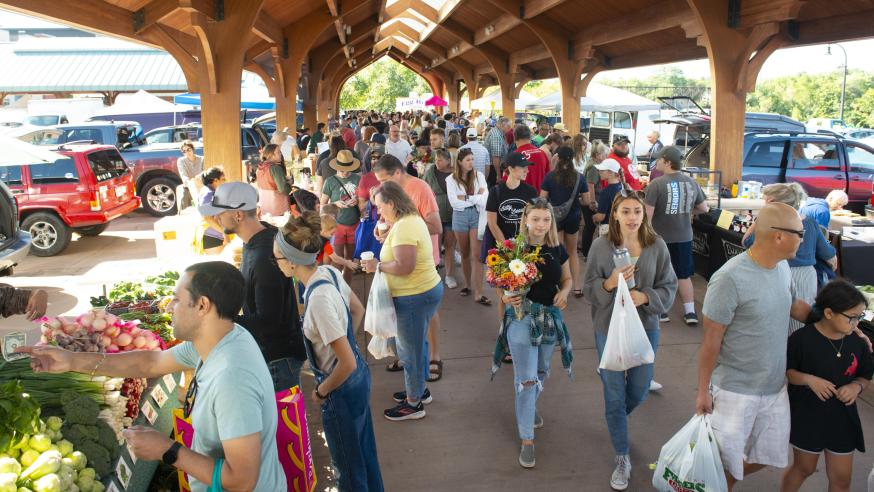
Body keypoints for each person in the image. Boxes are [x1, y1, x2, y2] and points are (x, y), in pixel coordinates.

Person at [19, 261, 287, 491]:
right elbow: (150, 362)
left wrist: (168, 451)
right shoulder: (225, 336)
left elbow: (242, 481)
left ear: (202, 305)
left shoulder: (232, 379)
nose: (169, 306)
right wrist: (72, 360)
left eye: (178, 299)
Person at [696, 203, 817, 490]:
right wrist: (702, 391)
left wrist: (840, 324)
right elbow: (710, 342)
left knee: (769, 457)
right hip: (735, 391)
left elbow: (794, 306)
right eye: (800, 233)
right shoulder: (729, 278)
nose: (804, 237)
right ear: (778, 236)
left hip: (775, 387)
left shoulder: (782, 267)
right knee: (724, 463)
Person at [273, 213, 383, 491]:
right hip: (359, 381)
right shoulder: (329, 273)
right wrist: (343, 341)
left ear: (292, 261)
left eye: (277, 258)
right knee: (365, 453)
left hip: (340, 389)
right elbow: (357, 309)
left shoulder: (318, 300)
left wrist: (321, 392)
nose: (275, 263)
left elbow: (345, 364)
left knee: (347, 469)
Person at [583, 192, 678, 491]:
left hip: (645, 326)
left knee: (638, 389)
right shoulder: (600, 247)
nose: (633, 217)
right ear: (615, 215)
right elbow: (588, 289)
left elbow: (670, 285)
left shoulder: (657, 245)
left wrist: (647, 296)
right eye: (626, 211)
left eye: (637, 211)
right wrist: (609, 283)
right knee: (613, 394)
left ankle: (615, 419)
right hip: (608, 328)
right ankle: (622, 456)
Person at [198, 182, 306, 391]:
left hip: (277, 360)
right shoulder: (260, 236)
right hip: (275, 355)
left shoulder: (264, 257)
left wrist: (217, 320)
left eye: (220, 213)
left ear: (238, 215)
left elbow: (267, 321)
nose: (216, 218)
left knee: (280, 423)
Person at [491, 199, 574, 469]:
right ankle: (527, 439)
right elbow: (498, 282)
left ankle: (528, 405)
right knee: (526, 379)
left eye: (546, 220)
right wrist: (505, 295)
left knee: (542, 372)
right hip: (520, 319)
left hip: (549, 317)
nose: (541, 225)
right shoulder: (513, 248)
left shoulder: (557, 249)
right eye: (536, 219)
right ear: (525, 219)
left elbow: (567, 279)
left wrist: (564, 292)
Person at [361, 182, 444, 421]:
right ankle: (419, 390)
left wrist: (376, 265)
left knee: (409, 351)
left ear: (392, 203)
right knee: (413, 346)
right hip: (420, 292)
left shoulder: (406, 226)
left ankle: (414, 403)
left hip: (413, 296)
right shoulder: (408, 221)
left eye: (380, 206)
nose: (378, 212)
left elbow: (404, 266)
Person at [780, 279, 872, 492]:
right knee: (804, 468)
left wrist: (856, 387)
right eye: (852, 317)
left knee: (841, 479)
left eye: (860, 317)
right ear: (829, 313)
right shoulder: (801, 339)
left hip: (843, 419)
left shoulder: (858, 343)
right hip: (808, 416)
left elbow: (865, 375)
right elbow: (789, 372)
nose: (856, 323)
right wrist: (810, 380)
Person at [373, 155, 445, 381]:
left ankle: (435, 356)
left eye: (384, 179)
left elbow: (436, 226)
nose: (382, 185)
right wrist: (384, 229)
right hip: (399, 255)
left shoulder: (420, 188)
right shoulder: (389, 193)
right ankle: (407, 355)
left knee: (428, 311)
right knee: (404, 313)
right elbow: (389, 218)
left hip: (424, 258)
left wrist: (403, 225)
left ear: (397, 172)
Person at [743, 183, 837, 333]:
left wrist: (759, 220)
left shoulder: (771, 224)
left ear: (773, 203)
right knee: (797, 324)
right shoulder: (810, 222)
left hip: (780, 272)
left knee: (780, 322)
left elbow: (746, 241)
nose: (763, 205)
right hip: (805, 275)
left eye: (766, 201)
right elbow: (829, 254)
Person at [644, 146, 710, 325]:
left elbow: (647, 216)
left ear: (666, 162)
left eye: (658, 159)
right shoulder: (691, 182)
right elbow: (704, 208)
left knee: (659, 274)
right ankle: (690, 312)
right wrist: (688, 212)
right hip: (684, 236)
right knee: (683, 274)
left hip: (659, 238)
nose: (656, 162)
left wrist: (645, 237)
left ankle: (662, 311)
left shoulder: (656, 184)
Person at [540, 146, 589, 297]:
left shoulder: (550, 176)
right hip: (573, 218)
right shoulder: (580, 177)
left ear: (558, 158)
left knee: (558, 253)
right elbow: (587, 201)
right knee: (572, 252)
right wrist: (575, 200)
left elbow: (542, 199)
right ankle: (577, 287)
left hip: (556, 219)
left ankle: (560, 286)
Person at [447, 148, 489, 305]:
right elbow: (454, 202)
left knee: (477, 255)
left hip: (477, 215)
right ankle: (467, 285)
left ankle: (479, 292)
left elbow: (484, 199)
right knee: (464, 252)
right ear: (460, 162)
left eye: (472, 159)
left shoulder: (479, 176)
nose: (471, 162)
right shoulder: (451, 179)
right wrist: (475, 197)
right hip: (459, 216)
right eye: (467, 160)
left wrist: (467, 197)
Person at [320, 150, 362, 284]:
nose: (345, 172)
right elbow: (322, 205)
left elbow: (363, 199)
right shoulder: (330, 181)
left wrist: (358, 201)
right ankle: (335, 286)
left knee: (349, 260)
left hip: (354, 224)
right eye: (342, 169)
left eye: (347, 169)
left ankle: (346, 287)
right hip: (336, 226)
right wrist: (335, 204)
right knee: (337, 260)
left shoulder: (357, 178)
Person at [422, 148, 458, 289]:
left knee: (450, 246)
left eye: (440, 160)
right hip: (434, 215)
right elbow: (424, 188)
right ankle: (434, 273)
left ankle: (449, 275)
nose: (437, 162)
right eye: (436, 159)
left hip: (452, 215)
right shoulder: (430, 171)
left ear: (448, 161)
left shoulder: (456, 173)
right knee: (434, 247)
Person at [580, 140, 608, 258]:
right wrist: (592, 202)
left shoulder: (592, 164)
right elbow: (590, 185)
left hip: (592, 199)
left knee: (590, 227)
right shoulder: (593, 167)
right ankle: (587, 253)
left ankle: (587, 252)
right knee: (590, 227)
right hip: (592, 200)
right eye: (604, 154)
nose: (605, 157)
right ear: (598, 155)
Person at [255, 144, 291, 216]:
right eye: (278, 152)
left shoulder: (259, 168)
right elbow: (283, 189)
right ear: (271, 155)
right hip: (278, 208)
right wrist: (289, 184)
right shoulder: (275, 168)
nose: (281, 154)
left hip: (265, 208)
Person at [197, 167, 227, 253]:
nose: (225, 181)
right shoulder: (208, 194)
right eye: (223, 179)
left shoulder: (210, 191)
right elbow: (207, 217)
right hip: (212, 237)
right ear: (215, 180)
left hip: (214, 236)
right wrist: (224, 232)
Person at [513, 124, 550, 193]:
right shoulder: (542, 153)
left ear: (514, 138)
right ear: (530, 137)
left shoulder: (514, 156)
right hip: (539, 198)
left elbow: (508, 182)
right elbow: (548, 177)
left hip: (521, 198)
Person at [592, 158, 625, 231]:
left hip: (609, 228)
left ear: (611, 173)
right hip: (620, 226)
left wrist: (593, 217)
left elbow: (601, 217)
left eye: (602, 170)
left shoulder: (606, 192)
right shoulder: (622, 185)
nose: (599, 172)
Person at [176, 140, 204, 212]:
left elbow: (204, 173)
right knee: (184, 204)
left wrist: (198, 182)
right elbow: (183, 175)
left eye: (188, 150)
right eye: (184, 151)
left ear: (193, 149)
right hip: (189, 186)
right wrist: (190, 183)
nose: (187, 152)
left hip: (201, 186)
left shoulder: (202, 159)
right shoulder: (181, 161)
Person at [485, 117, 511, 188]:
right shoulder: (496, 135)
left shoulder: (498, 133)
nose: (509, 129)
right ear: (502, 125)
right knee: (493, 190)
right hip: (494, 169)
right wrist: (498, 175)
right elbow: (495, 157)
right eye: (508, 126)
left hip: (494, 168)